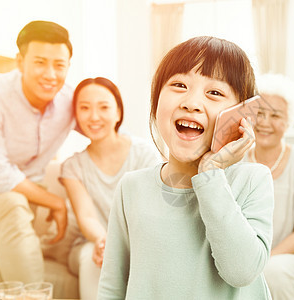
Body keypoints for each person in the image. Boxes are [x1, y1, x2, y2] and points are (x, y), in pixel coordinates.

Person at [97, 36, 274, 299]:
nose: (191, 103)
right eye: (179, 85)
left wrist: (211, 173)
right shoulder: (131, 188)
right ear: (156, 102)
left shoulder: (252, 179)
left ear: (241, 114)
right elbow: (112, 286)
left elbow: (241, 271)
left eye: (214, 92)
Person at [59, 77, 162, 299]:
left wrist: (127, 246)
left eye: (103, 107)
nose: (94, 116)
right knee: (94, 258)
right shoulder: (72, 167)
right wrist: (104, 243)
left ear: (117, 112)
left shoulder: (144, 154)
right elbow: (86, 216)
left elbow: (151, 209)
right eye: (84, 108)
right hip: (91, 243)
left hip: (136, 240)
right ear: (76, 115)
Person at [0, 20, 74, 283]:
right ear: (20, 61)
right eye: (40, 62)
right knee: (13, 204)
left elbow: (106, 127)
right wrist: (55, 202)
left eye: (59, 65)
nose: (51, 74)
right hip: (6, 196)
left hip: (25, 197)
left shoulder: (70, 102)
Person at [243, 73, 294, 300]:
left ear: (288, 120)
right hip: (244, 256)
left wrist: (263, 260)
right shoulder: (236, 161)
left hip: (292, 255)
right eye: (259, 113)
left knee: (273, 271)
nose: (265, 122)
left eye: (275, 115)